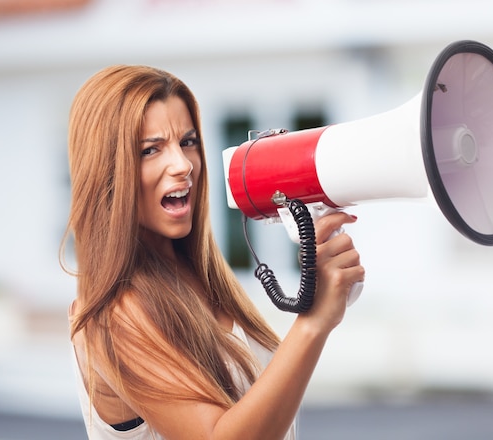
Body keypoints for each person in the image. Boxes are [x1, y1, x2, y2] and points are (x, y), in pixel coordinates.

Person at [61, 64, 364, 440]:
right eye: (150, 150)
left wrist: (325, 283)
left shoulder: (202, 279)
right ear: (107, 171)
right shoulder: (113, 313)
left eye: (188, 142)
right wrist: (313, 322)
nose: (183, 165)